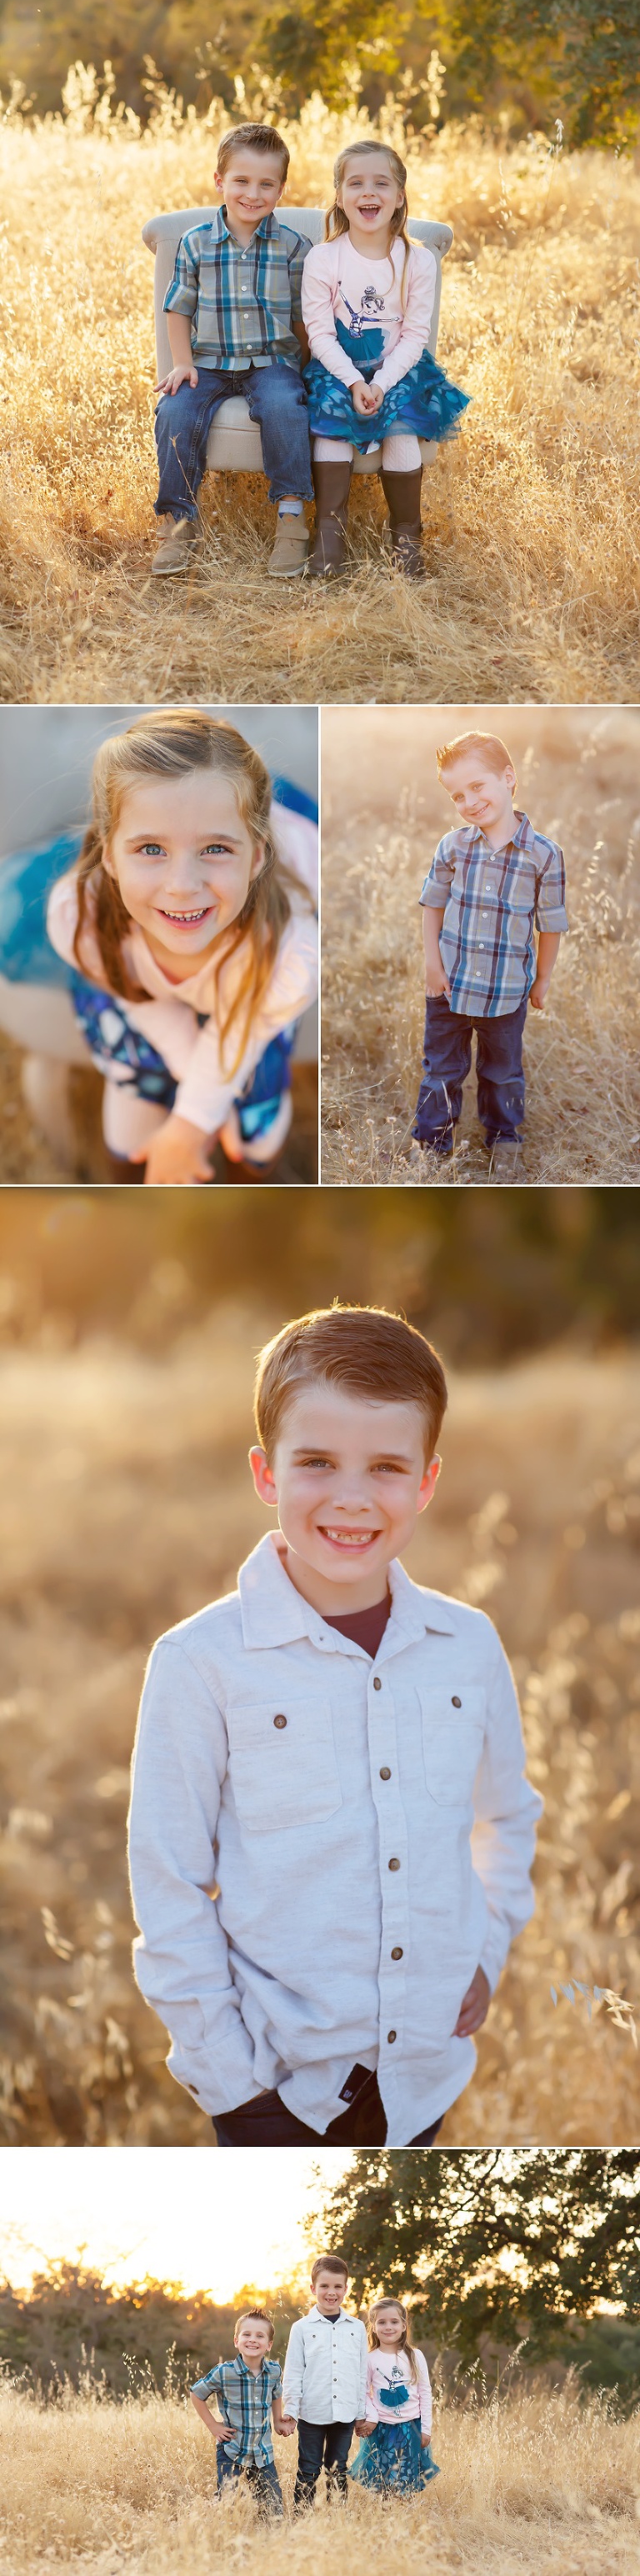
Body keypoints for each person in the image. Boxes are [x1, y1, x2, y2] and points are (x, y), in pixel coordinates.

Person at [128, 1300, 542, 2143]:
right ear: (265, 1473)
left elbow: (505, 1816)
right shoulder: (201, 1661)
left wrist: (485, 1946)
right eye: (316, 1460)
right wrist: (234, 2086)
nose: (352, 1498)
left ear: (427, 1479)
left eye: (387, 1465)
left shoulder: (468, 1644)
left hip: (424, 2078)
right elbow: (168, 1881)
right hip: (276, 2089)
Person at [45, 711, 318, 1184]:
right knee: (130, 1142)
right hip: (134, 984)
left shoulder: (290, 955)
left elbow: (241, 1031)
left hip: (256, 979)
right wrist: (198, 1093)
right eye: (151, 849)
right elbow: (139, 998)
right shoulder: (79, 917)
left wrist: (192, 1123)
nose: (182, 886)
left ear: (256, 858)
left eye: (216, 849)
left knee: (255, 1137)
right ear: (109, 854)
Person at [300, 139, 469, 581]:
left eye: (382, 183)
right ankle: (329, 538)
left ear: (399, 197)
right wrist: (356, 383)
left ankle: (407, 541)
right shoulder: (325, 257)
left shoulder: (417, 259)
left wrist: (382, 383)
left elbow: (416, 335)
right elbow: (319, 334)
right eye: (356, 183)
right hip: (338, 369)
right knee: (333, 430)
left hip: (400, 370)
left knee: (402, 431)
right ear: (339, 196)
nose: (369, 193)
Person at [153, 121, 312, 582]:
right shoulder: (195, 243)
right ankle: (179, 522)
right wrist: (182, 363)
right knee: (174, 412)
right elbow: (178, 308)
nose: (253, 193)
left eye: (267, 184)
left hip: (273, 361)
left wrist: (304, 369)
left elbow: (303, 318)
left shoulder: (294, 248)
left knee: (285, 405)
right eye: (241, 181)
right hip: (209, 362)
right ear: (219, 181)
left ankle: (290, 519)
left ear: (281, 189)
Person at [411, 732, 568, 1183]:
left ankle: (504, 1140)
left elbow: (550, 924)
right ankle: (433, 1146)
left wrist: (542, 980)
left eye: (478, 786)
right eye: (458, 795)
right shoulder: (454, 846)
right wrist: (432, 964)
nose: (469, 801)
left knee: (502, 1072)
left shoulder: (544, 855)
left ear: (508, 778)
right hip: (450, 984)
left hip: (506, 991)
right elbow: (433, 905)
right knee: (441, 1070)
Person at [281, 2251, 368, 2505]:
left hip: (345, 2413)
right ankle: (302, 2518)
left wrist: (361, 2412)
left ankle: (335, 2522)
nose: (331, 2292)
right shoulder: (302, 2328)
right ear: (313, 2288)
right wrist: (292, 2411)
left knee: (338, 2470)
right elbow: (294, 2373)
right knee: (308, 2469)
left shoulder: (356, 2328)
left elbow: (361, 2373)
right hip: (312, 2412)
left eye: (337, 2286)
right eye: (325, 2286)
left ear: (345, 2289)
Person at [191, 2305, 285, 2514]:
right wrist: (213, 2426)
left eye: (260, 2336)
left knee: (274, 2508)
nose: (253, 2339)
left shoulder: (273, 2371)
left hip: (262, 2452)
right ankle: (223, 2532)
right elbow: (196, 2394)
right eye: (247, 2334)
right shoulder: (224, 2373)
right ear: (236, 2341)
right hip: (231, 2449)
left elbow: (277, 2393)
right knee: (227, 2502)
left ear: (268, 2345)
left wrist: (278, 2420)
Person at [350, 2293, 439, 2498]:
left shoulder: (414, 2356)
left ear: (404, 2325)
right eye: (382, 2322)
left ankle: (403, 2516)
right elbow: (362, 2393)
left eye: (394, 2322)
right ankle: (384, 2517)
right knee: (382, 2482)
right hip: (381, 2428)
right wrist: (371, 2417)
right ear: (373, 2327)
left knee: (405, 2481)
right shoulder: (370, 2359)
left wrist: (426, 2428)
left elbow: (425, 2392)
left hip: (410, 2427)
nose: (388, 2327)